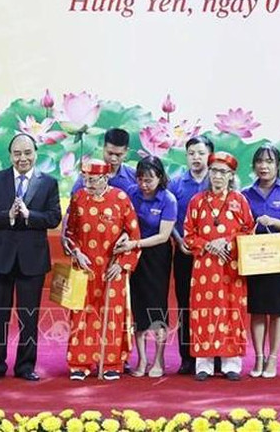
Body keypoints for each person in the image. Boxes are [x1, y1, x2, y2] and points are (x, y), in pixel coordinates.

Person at [0, 133, 62, 381]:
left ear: (35, 153)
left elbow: (53, 217)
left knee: (29, 316)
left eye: (27, 153)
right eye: (17, 153)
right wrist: (10, 215)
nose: (22, 158)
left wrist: (29, 215)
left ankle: (26, 366)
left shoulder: (48, 182)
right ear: (10, 155)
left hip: (32, 259)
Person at [65, 160, 141, 380]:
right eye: (85, 179)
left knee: (113, 315)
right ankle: (80, 362)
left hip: (112, 269)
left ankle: (112, 363)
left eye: (93, 179)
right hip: (84, 266)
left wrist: (121, 264)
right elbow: (69, 233)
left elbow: (133, 236)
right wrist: (77, 253)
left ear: (105, 178)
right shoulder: (78, 198)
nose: (87, 183)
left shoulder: (120, 199)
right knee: (81, 313)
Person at [183, 151, 254, 381]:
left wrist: (228, 242)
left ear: (231, 175)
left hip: (231, 265)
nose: (217, 176)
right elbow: (188, 235)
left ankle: (231, 363)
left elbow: (248, 230)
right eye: (214, 171)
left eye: (223, 172)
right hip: (204, 267)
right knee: (203, 311)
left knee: (232, 310)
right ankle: (203, 363)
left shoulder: (239, 200)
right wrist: (208, 244)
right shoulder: (196, 202)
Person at [242, 144, 280, 379]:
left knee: (277, 309)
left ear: (278, 166)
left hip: (278, 254)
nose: (264, 166)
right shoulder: (245, 194)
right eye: (259, 162)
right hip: (253, 254)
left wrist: (272, 221)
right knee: (257, 308)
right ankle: (258, 357)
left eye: (269, 162)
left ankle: (273, 357)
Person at [122, 156, 177, 378]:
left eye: (149, 180)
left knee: (156, 307)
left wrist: (135, 243)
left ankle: (158, 358)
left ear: (160, 178)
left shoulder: (168, 199)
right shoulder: (131, 194)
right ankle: (142, 359)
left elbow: (164, 236)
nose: (144, 185)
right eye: (141, 179)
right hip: (134, 255)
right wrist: (130, 243)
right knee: (138, 307)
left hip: (157, 256)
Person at [168, 135, 213, 375]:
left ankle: (215, 354)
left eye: (201, 153)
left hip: (212, 255)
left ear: (210, 156)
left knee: (212, 304)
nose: (196, 158)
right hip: (184, 251)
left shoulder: (218, 181)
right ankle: (187, 357)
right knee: (186, 304)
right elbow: (171, 218)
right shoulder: (176, 184)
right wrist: (179, 240)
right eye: (191, 153)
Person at [69, 128, 137, 196]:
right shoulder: (87, 175)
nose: (113, 159)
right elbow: (74, 201)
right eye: (110, 153)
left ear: (126, 152)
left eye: (118, 155)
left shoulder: (134, 176)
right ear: (104, 148)